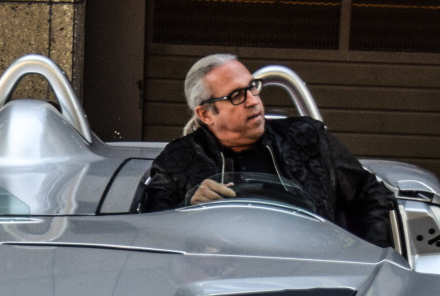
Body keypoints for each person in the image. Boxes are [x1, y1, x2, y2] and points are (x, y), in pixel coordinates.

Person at [141, 54, 395, 247]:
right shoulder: (177, 160)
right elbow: (152, 234)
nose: (253, 100)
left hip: (314, 274)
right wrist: (187, 208)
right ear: (206, 114)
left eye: (252, 87)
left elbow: (370, 194)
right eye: (237, 96)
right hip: (224, 285)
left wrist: (368, 259)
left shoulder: (308, 138)